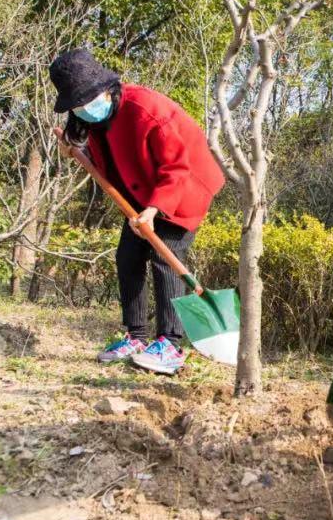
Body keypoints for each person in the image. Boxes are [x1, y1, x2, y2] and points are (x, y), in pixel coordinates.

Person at [50, 48, 225, 375]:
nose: (85, 110)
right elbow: (104, 149)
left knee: (165, 257)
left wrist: (155, 209)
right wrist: (74, 147)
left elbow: (176, 167)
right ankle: (136, 336)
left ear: (106, 88)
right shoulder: (95, 115)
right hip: (140, 191)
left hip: (183, 187)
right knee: (128, 255)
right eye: (77, 106)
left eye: (88, 101)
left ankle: (171, 345)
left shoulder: (149, 111)